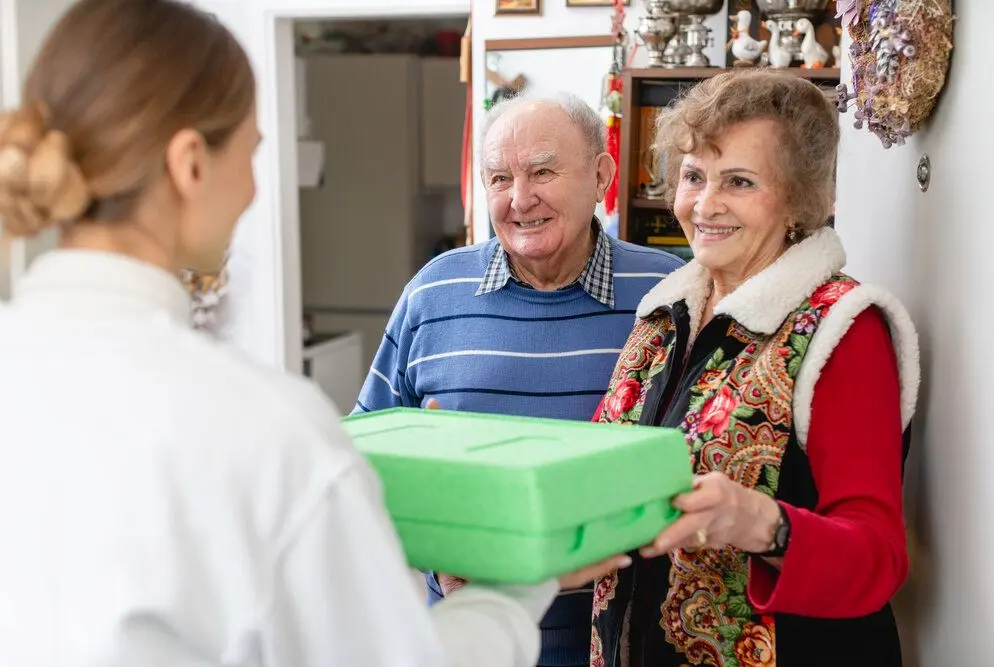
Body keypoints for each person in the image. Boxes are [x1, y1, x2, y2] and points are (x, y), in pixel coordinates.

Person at [0, 2, 626, 666]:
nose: (250, 190)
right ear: (190, 165)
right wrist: (517, 581)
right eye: (252, 153)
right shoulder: (261, 424)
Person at [588, 70, 920, 667]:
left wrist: (759, 521)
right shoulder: (663, 316)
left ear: (798, 198)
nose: (705, 204)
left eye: (739, 181)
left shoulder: (843, 328)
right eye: (693, 176)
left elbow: (879, 559)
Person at [354, 93, 684, 666]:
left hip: (626, 643)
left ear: (601, 174)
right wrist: (435, 547)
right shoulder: (433, 292)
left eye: (543, 172)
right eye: (499, 178)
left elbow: (700, 455)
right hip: (465, 642)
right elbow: (361, 462)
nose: (519, 199)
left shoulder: (668, 292)